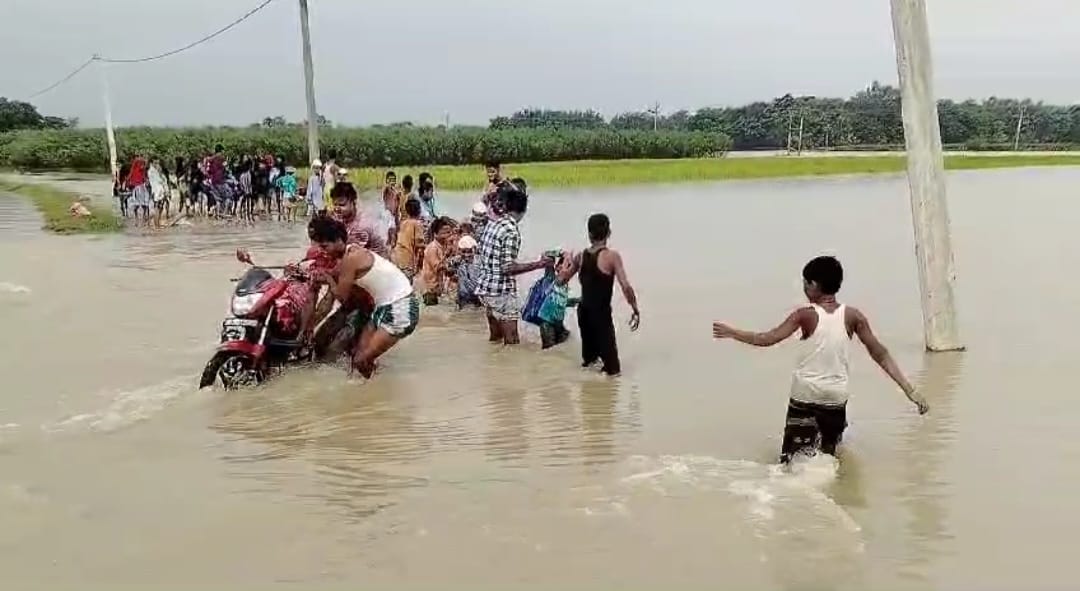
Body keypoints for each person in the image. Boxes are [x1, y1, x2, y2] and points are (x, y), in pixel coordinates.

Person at [711, 255, 929, 463]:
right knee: (827, 458)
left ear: (814, 285)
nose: (804, 289)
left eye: (805, 284)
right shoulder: (853, 316)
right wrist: (910, 390)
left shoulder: (805, 314)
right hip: (835, 398)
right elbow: (880, 353)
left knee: (792, 462)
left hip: (805, 396)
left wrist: (733, 333)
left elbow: (767, 339)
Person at [309, 215, 420, 379]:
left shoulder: (350, 259)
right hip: (385, 306)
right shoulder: (353, 251)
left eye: (325, 246)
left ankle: (372, 392)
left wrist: (327, 279)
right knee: (358, 356)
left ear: (338, 240)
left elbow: (341, 296)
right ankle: (372, 392)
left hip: (400, 308)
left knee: (361, 359)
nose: (323, 251)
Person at [473, 186, 552, 345]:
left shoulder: (493, 224)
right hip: (500, 292)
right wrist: (539, 264)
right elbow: (507, 268)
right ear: (523, 211)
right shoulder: (511, 231)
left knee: (495, 340)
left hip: (485, 289)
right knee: (512, 343)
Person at [569, 214, 641, 376]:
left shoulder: (580, 257)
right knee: (613, 370)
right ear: (608, 233)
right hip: (600, 315)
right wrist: (635, 308)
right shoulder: (612, 257)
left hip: (584, 313)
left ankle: (589, 396)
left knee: (589, 362)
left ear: (589, 234)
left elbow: (562, 279)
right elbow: (626, 287)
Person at [418, 216, 455, 305]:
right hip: (430, 289)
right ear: (435, 234)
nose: (448, 235)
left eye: (449, 232)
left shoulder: (444, 245)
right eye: (445, 233)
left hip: (438, 287)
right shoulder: (432, 248)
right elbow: (438, 267)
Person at [391, 198, 425, 279]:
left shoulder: (404, 222)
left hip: (396, 256)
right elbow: (419, 244)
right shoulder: (417, 224)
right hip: (406, 259)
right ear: (419, 210)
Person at [449, 234, 481, 309]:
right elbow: (448, 271)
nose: (466, 255)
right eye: (464, 252)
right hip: (463, 298)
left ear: (475, 250)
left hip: (477, 298)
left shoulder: (480, 262)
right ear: (459, 251)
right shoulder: (457, 261)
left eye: (469, 252)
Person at [125, 154, 150, 224]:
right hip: (138, 187)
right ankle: (140, 218)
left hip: (139, 186)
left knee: (141, 204)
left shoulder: (138, 167)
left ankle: (141, 218)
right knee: (141, 204)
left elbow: (143, 174)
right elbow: (142, 169)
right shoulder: (138, 164)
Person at [147, 156, 170, 228]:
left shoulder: (157, 171)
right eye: (155, 163)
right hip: (157, 192)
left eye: (158, 163)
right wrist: (160, 173)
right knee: (157, 207)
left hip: (161, 192)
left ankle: (158, 224)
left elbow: (164, 181)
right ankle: (156, 225)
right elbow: (160, 181)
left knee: (160, 208)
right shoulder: (152, 171)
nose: (157, 164)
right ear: (151, 163)